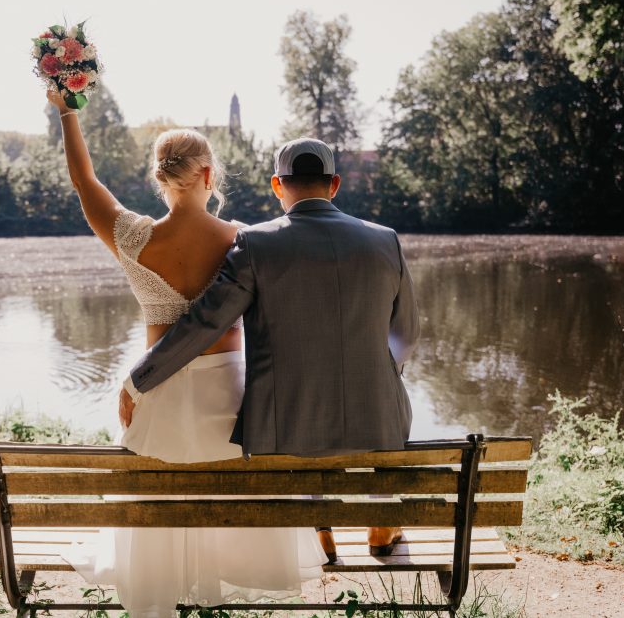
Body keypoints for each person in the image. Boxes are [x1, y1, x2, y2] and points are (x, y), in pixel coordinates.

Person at [44, 90, 326, 617]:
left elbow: (85, 181)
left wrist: (67, 110)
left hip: (159, 399)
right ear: (208, 176)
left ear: (160, 178)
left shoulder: (133, 238)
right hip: (232, 404)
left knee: (159, 491)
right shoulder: (247, 240)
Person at [120, 137, 421, 564]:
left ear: (277, 186)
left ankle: (320, 528)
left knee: (294, 399)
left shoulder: (256, 245)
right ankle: (382, 520)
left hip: (288, 425)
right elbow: (406, 336)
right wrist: (375, 373)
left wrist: (140, 378)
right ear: (334, 185)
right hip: (377, 419)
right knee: (383, 397)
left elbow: (206, 323)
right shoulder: (384, 241)